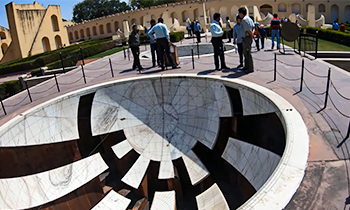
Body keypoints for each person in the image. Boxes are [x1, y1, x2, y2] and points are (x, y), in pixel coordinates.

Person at [238, 7, 255, 73]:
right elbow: (253, 27)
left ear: (241, 13)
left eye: (239, 13)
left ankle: (250, 68)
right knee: (245, 53)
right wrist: (252, 35)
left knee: (247, 53)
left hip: (246, 37)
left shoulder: (244, 20)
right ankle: (246, 66)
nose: (239, 14)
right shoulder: (249, 18)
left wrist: (252, 36)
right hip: (247, 37)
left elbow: (248, 30)